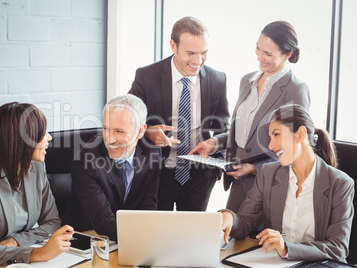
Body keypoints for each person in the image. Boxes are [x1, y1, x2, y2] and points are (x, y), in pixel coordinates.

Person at [190, 21, 310, 213]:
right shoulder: (247, 81)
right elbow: (244, 131)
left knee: (260, 241)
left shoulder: (295, 89)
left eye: (268, 54)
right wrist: (215, 143)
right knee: (231, 236)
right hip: (238, 178)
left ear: (287, 54)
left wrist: (255, 168)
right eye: (258, 48)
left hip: (269, 182)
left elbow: (300, 147)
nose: (260, 57)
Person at [221, 104, 354, 262]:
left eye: (277, 135)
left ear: (301, 134)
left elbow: (338, 248)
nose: (271, 145)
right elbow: (245, 222)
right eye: (271, 138)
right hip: (276, 263)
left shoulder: (340, 183)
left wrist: (286, 248)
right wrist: (230, 217)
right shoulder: (268, 173)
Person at [129, 16, 230, 211]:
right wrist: (148, 132)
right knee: (158, 235)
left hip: (200, 175)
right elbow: (127, 122)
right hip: (158, 174)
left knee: (191, 236)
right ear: (173, 46)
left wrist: (214, 148)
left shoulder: (217, 79)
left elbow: (225, 128)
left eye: (204, 53)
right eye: (191, 53)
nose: (198, 61)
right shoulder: (147, 76)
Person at [0, 102, 74, 266]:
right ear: (21, 139)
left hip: (12, 259)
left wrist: (13, 242)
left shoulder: (37, 168)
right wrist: (40, 253)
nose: (49, 137)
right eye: (41, 132)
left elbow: (52, 223)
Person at [62, 94, 162, 242]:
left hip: (129, 237)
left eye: (119, 131)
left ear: (140, 131)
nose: (109, 139)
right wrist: (141, 238)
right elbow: (103, 220)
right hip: (89, 238)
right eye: (105, 128)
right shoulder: (86, 160)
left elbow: (148, 207)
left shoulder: (152, 152)